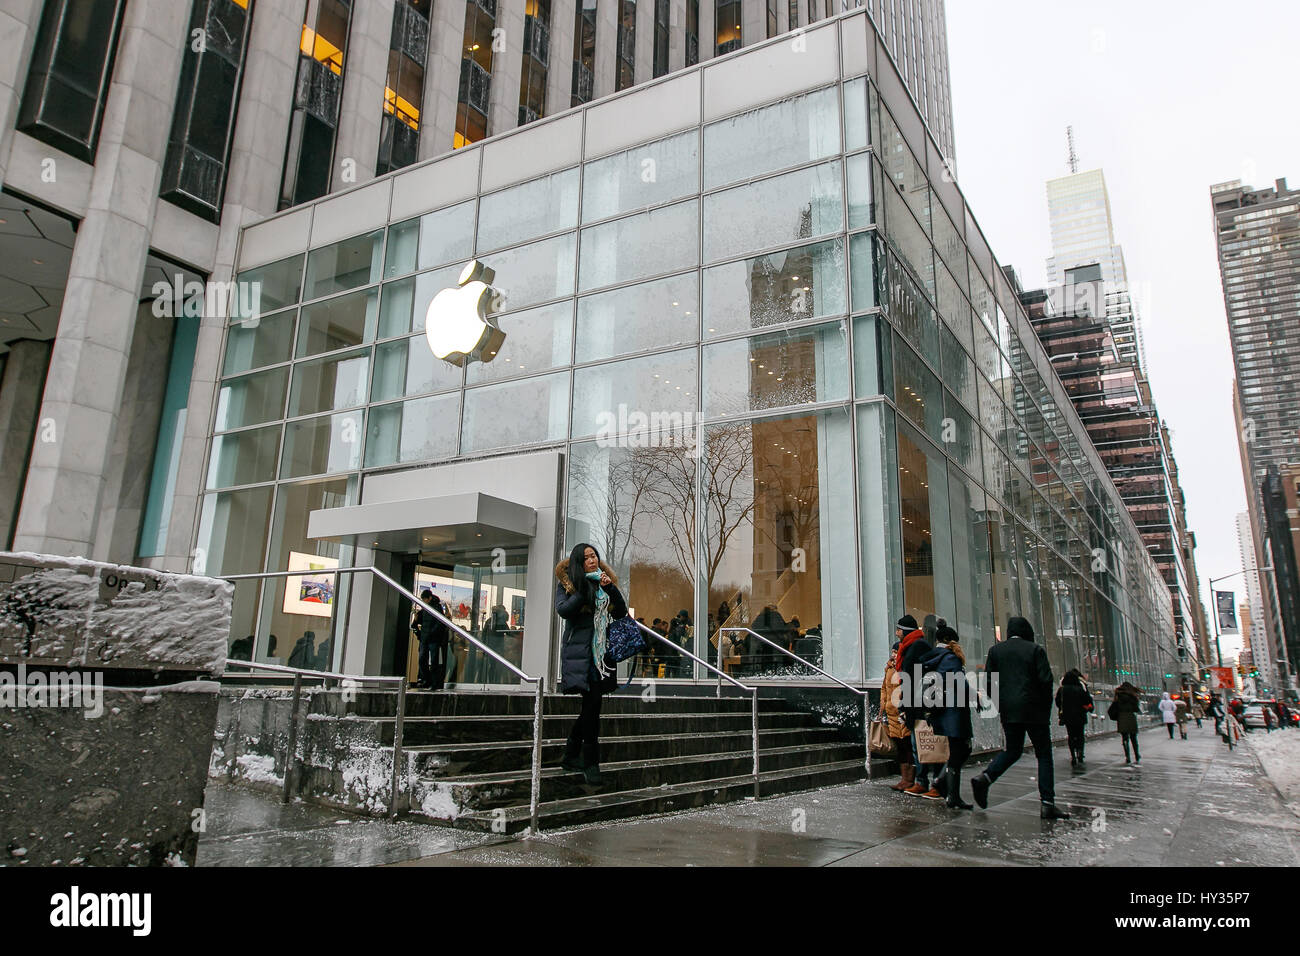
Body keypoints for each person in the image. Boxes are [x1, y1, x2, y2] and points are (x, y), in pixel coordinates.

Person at [969, 617, 1070, 819]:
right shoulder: (1035, 650)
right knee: (1043, 754)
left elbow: (989, 683)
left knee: (1012, 751)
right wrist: (1044, 708)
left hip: (1010, 711)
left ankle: (985, 778)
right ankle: (1047, 803)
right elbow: (1045, 681)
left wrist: (1001, 705)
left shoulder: (996, 651)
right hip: (1035, 712)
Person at [555, 542, 627, 785]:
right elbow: (563, 610)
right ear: (579, 562)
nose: (592, 560)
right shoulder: (567, 584)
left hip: (601, 655)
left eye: (594, 555)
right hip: (581, 655)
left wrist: (610, 589)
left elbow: (620, 612)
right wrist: (584, 589)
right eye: (586, 558)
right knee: (592, 706)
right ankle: (590, 762)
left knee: (591, 706)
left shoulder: (605, 581)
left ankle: (570, 755)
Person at [921, 623, 974, 809]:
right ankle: (945, 785)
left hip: (942, 711)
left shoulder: (935, 657)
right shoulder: (950, 658)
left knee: (957, 750)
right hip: (954, 711)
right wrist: (976, 696)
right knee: (962, 749)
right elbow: (959, 684)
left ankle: (950, 791)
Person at [893, 615, 942, 796]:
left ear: (904, 631)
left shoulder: (916, 647)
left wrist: (905, 704)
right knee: (919, 743)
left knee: (926, 742)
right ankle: (922, 781)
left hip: (921, 702)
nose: (896, 633)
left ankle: (932, 783)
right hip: (917, 701)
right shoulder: (910, 647)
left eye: (898, 629)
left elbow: (913, 678)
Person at [883, 637, 915, 793]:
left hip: (902, 711)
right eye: (893, 651)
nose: (894, 654)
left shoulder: (904, 667)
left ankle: (910, 779)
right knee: (900, 746)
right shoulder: (889, 668)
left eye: (897, 651)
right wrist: (883, 706)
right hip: (891, 712)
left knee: (908, 745)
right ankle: (904, 779)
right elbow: (884, 688)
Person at [1055, 669, 1092, 767]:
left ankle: (1073, 756)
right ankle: (1080, 752)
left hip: (1067, 716)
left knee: (1071, 735)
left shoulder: (1062, 689)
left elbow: (1058, 702)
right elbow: (1087, 700)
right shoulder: (1080, 688)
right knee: (1080, 734)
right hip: (1080, 716)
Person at [413, 590, 449, 690]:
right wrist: (416, 620)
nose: (424, 601)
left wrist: (431, 633)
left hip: (433, 639)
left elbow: (440, 623)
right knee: (422, 660)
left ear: (429, 598)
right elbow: (420, 620)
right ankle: (426, 680)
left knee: (434, 661)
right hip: (425, 639)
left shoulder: (437, 607)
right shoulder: (425, 608)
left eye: (425, 599)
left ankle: (433, 682)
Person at [1107, 682, 1142, 764]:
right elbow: (1136, 709)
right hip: (1131, 717)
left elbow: (1112, 708)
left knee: (1125, 738)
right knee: (1134, 738)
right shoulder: (1133, 697)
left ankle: (1127, 756)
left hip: (1121, 718)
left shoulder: (1118, 697)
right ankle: (1136, 755)